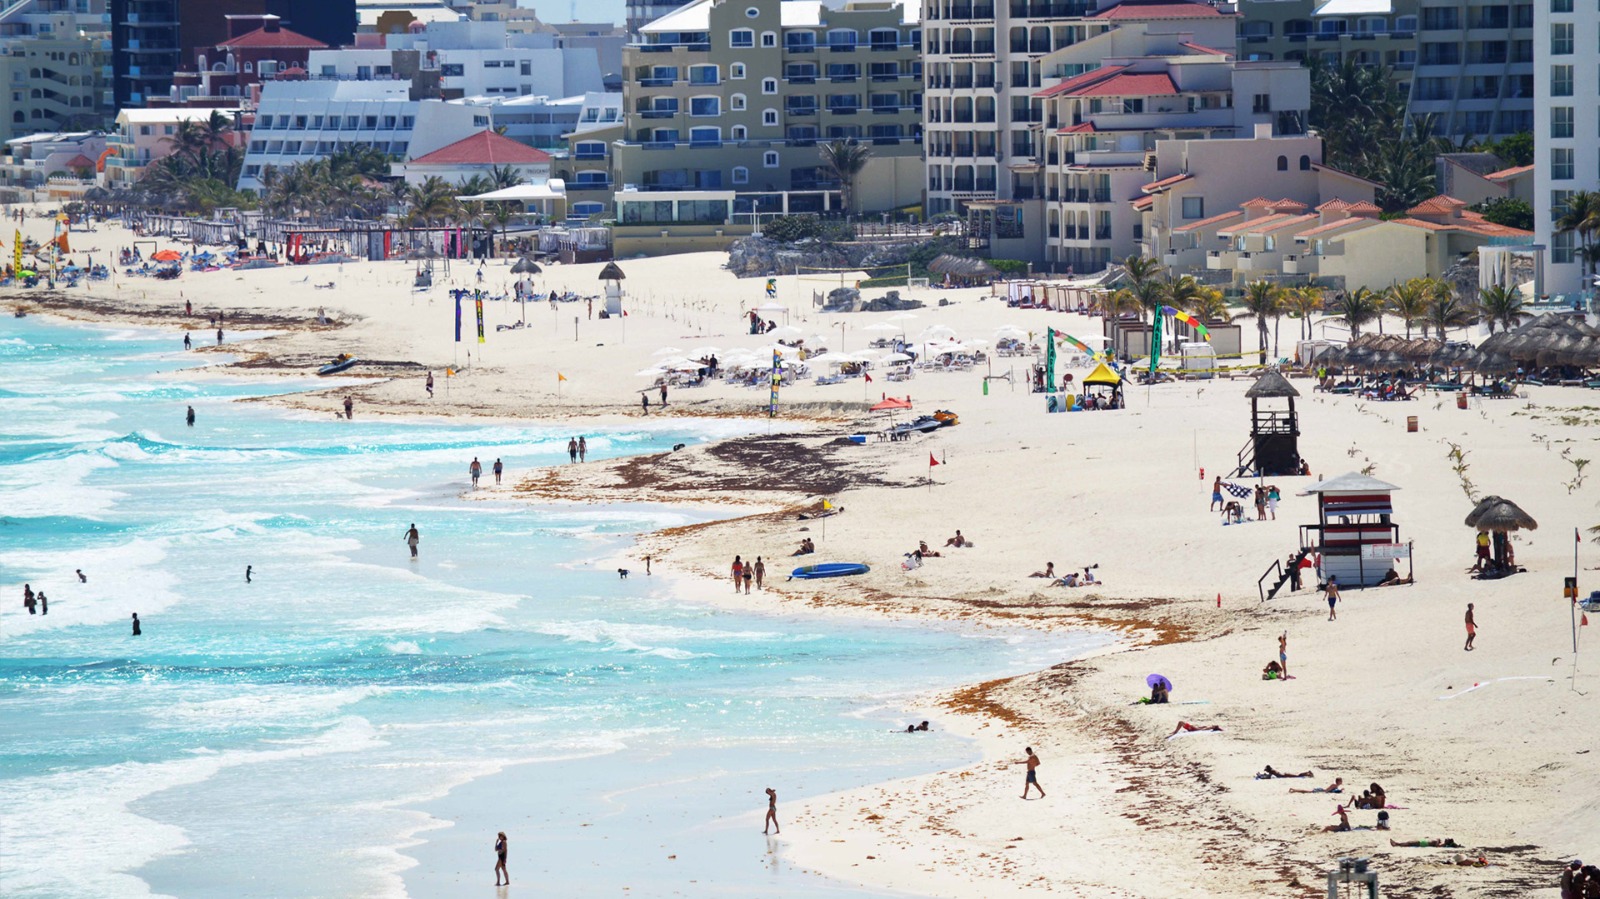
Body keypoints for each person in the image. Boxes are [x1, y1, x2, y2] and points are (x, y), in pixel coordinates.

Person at [1389, 838, 1460, 848]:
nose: (1446, 838)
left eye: (1448, 839)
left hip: (1423, 844)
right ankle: (1397, 844)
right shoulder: (1443, 843)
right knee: (1409, 843)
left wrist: (1437, 841)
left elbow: (1437, 846)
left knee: (1409, 843)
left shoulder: (1443, 845)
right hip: (1423, 842)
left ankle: (1396, 844)